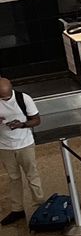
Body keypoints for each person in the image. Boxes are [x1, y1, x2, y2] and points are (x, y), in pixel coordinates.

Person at [0, 77, 43, 226]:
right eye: (1, 97)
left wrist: (22, 125)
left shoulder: (23, 98)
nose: (5, 100)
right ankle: (17, 209)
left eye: (6, 96)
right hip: (4, 146)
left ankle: (40, 205)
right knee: (13, 178)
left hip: (25, 143)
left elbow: (37, 120)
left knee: (32, 175)